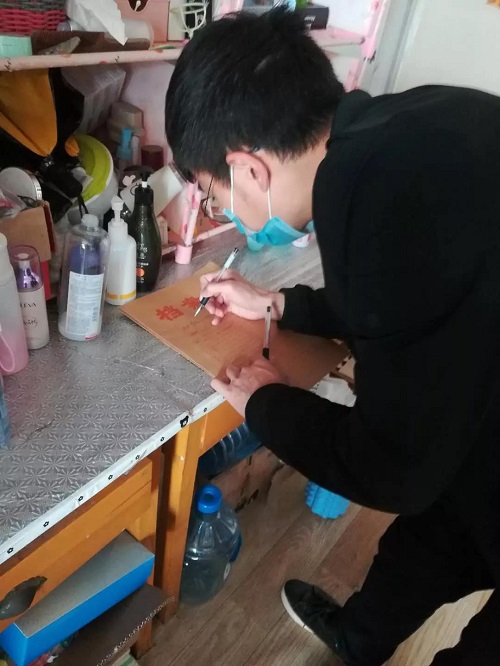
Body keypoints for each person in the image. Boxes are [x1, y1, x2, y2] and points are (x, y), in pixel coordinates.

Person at [165, 8, 500, 665]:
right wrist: (281, 304)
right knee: (438, 535)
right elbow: (412, 300)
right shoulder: (400, 131)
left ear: (249, 169)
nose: (224, 212)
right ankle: (357, 640)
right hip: (481, 399)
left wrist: (265, 404)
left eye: (213, 195)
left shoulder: (377, 200)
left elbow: (393, 470)